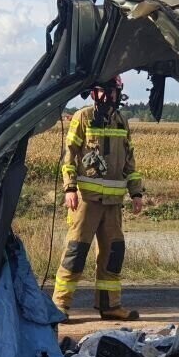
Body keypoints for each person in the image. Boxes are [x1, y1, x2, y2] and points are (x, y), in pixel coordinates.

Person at [52, 75, 144, 321]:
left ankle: (110, 306)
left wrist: (136, 192)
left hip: (113, 205)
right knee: (76, 252)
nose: (105, 96)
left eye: (110, 92)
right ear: (93, 94)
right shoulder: (82, 118)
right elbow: (69, 156)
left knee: (113, 254)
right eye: (100, 92)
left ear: (118, 93)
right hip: (86, 202)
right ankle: (59, 307)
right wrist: (69, 188)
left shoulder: (122, 122)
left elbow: (129, 163)